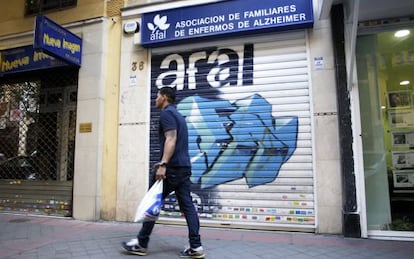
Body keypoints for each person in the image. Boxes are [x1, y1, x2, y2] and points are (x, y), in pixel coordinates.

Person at [122, 87, 205, 258]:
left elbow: (171, 138)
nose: (155, 99)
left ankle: (141, 243)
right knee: (187, 206)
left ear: (165, 97)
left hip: (172, 169)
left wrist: (163, 164)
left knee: (152, 203)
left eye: (157, 96)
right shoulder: (179, 115)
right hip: (184, 168)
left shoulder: (167, 114)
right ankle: (196, 246)